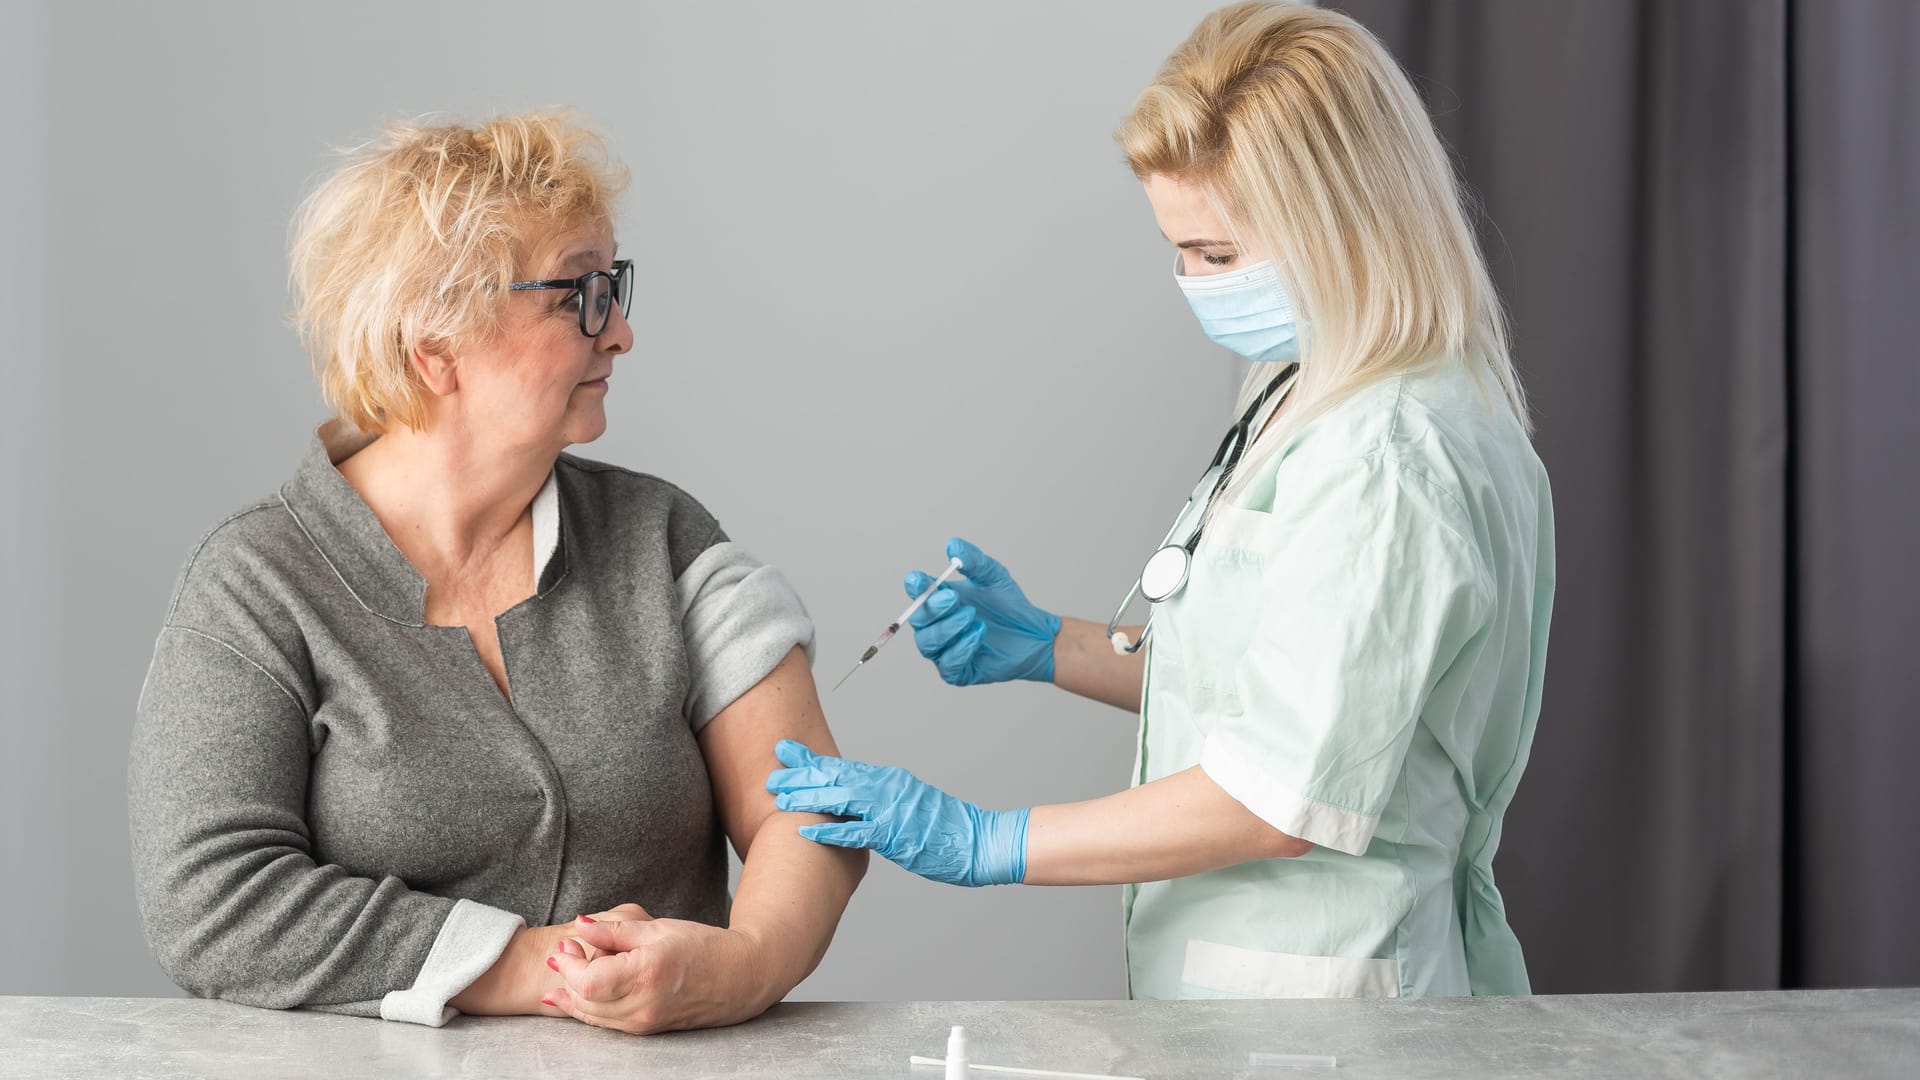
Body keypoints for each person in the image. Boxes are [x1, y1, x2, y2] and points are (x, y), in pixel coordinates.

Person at [768, 1, 1554, 999]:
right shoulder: (1306, 382)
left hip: (1327, 1008)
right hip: (1238, 994)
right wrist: (1055, 644)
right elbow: (1297, 687)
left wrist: (982, 838)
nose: (1190, 284)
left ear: (1346, 225)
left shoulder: (1389, 453)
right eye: (1176, 248)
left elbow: (1278, 794)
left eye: (1217, 255)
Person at [129, 112, 865, 1034]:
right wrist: (537, 965)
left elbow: (815, 810)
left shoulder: (666, 537)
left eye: (615, 286)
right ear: (431, 346)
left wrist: (746, 967)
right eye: (577, 296)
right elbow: (211, 902)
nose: (623, 332)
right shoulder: (255, 581)